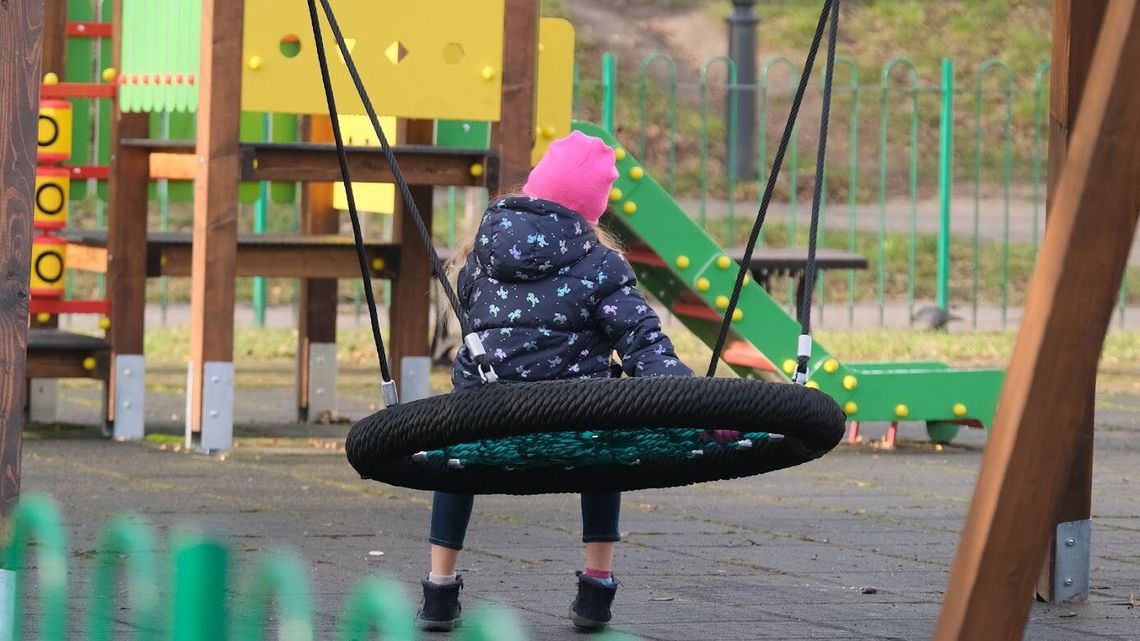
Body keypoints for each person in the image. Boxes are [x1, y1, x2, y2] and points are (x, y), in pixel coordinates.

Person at [416, 131, 729, 632]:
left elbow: (480, 345)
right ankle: (596, 588)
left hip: (488, 427)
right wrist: (701, 409)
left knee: (455, 456)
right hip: (574, 431)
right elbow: (644, 346)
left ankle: (438, 588)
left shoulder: (480, 257)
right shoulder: (602, 263)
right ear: (593, 213)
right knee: (607, 443)